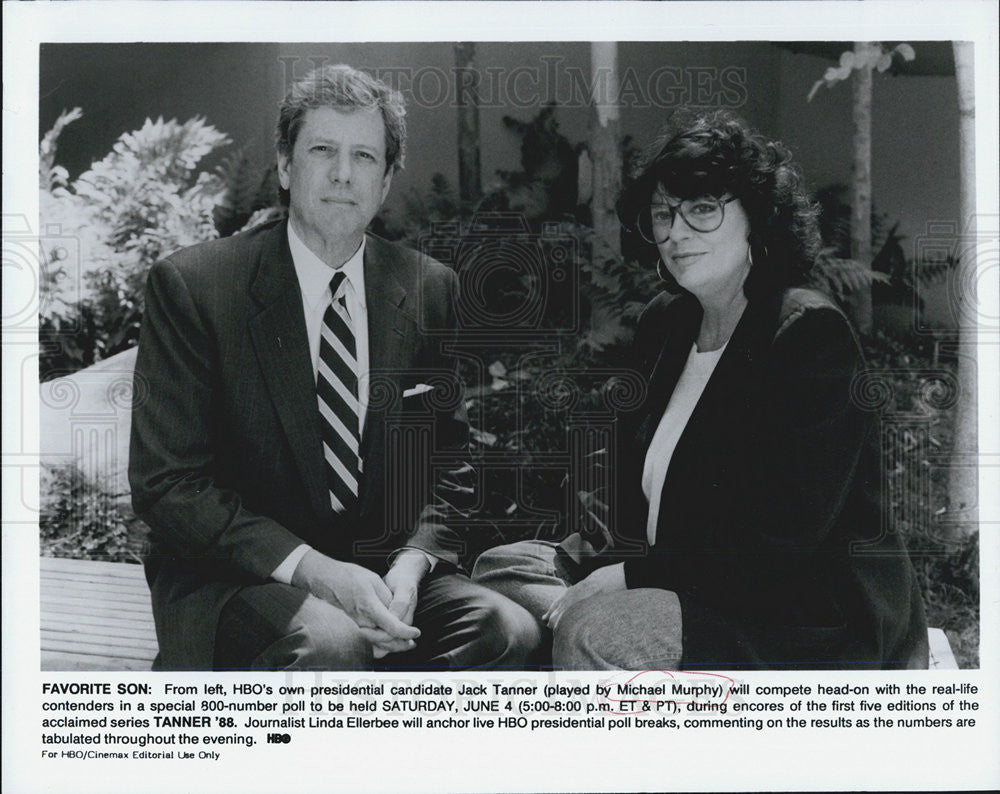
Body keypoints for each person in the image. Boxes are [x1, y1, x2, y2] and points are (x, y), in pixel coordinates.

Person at [473, 109, 929, 670]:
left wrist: (627, 580)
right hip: (676, 575)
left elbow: (778, 545)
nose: (676, 232)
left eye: (703, 209)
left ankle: (590, 654)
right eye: (664, 213)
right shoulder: (667, 321)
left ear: (757, 219)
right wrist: (605, 566)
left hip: (788, 609)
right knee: (501, 567)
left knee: (597, 630)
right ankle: (583, 631)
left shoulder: (807, 333)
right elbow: (631, 492)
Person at [129, 64, 540, 670]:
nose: (343, 173)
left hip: (380, 575)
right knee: (331, 642)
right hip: (238, 578)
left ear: (387, 179)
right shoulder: (195, 286)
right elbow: (169, 485)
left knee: (508, 630)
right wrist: (316, 572)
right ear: (286, 165)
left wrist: (412, 563)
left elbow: (452, 460)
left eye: (365, 157)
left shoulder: (429, 289)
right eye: (322, 150)